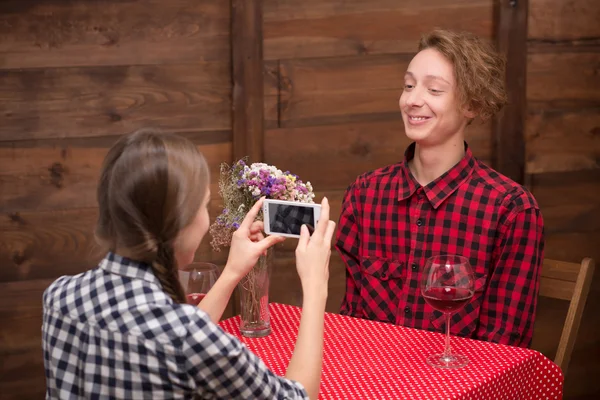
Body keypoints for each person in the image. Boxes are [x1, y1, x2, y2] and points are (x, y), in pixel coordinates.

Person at [42, 129, 335, 399]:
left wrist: (233, 271)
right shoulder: (186, 337)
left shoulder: (59, 297)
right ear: (178, 224)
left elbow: (180, 338)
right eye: (204, 206)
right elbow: (297, 396)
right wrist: (315, 287)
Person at [335, 29, 544, 348]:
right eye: (408, 85)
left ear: (472, 105)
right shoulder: (365, 194)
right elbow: (352, 323)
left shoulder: (511, 209)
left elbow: (503, 349)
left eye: (434, 89)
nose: (412, 100)